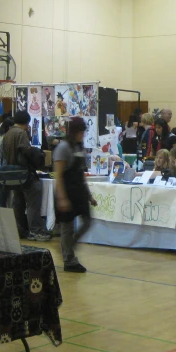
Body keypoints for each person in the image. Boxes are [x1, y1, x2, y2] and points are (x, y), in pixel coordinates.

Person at [53, 117, 97, 273]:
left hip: (78, 191)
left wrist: (89, 196)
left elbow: (81, 175)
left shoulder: (79, 147)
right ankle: (69, 259)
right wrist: (62, 198)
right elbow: (58, 176)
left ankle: (69, 247)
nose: (82, 135)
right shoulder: (63, 148)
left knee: (87, 221)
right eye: (80, 132)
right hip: (66, 191)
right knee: (67, 228)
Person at [0, 111, 51, 241]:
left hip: (12, 174)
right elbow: (25, 150)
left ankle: (20, 229)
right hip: (24, 173)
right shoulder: (21, 133)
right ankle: (36, 230)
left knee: (18, 203)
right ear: (27, 122)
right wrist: (37, 156)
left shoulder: (7, 134)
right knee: (33, 201)